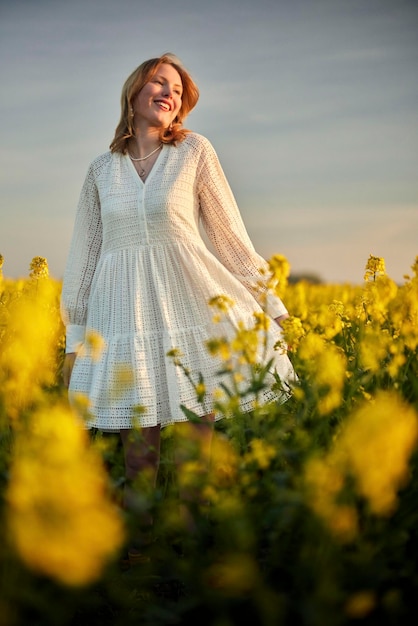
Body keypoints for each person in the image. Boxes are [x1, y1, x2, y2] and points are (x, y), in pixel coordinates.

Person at [61, 53, 295, 563]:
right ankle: (140, 546)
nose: (169, 94)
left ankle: (192, 540)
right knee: (136, 430)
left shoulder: (194, 152)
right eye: (159, 83)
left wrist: (269, 301)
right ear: (134, 91)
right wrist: (75, 336)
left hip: (190, 300)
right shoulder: (101, 170)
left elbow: (229, 234)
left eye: (178, 90)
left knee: (195, 426)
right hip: (124, 310)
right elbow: (85, 253)